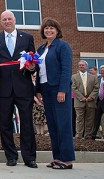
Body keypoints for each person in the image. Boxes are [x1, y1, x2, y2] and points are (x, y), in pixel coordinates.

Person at [0, 10, 37, 168]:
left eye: (9, 19)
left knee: (27, 124)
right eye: (4, 19)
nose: (7, 21)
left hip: (23, 89)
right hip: (3, 89)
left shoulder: (27, 38)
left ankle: (29, 157)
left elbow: (33, 64)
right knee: (5, 125)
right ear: (1, 22)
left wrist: (31, 67)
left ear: (14, 20)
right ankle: (11, 156)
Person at [34, 18, 75, 169]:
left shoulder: (63, 46)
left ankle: (67, 159)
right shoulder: (41, 49)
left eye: (52, 28)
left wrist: (62, 90)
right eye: (46, 28)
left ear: (57, 31)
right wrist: (37, 90)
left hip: (59, 89)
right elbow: (38, 72)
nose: (48, 31)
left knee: (63, 124)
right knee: (52, 125)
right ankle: (57, 157)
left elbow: (66, 70)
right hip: (46, 89)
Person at [72, 60, 98, 139]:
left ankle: (88, 135)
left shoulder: (93, 77)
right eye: (80, 65)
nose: (81, 66)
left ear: (86, 66)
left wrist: (90, 97)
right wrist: (81, 97)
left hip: (91, 102)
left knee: (89, 119)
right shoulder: (74, 77)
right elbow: (74, 88)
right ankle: (79, 135)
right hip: (79, 102)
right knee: (79, 119)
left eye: (83, 65)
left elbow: (96, 88)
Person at [91, 65, 104, 139]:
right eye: (101, 71)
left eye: (103, 71)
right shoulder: (98, 79)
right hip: (99, 100)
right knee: (96, 118)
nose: (102, 72)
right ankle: (94, 135)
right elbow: (96, 89)